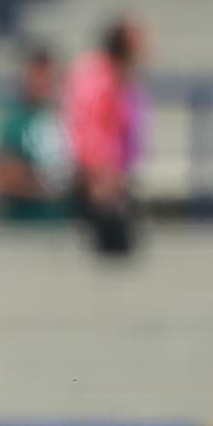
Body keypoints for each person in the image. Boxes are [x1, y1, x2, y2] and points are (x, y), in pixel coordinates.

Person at [63, 15, 149, 255]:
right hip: (96, 183)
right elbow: (85, 128)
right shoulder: (93, 79)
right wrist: (100, 175)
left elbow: (130, 134)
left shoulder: (127, 81)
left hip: (116, 181)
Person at [0, 45, 72, 222]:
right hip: (23, 226)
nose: (41, 82)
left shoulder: (66, 119)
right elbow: (1, 175)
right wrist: (43, 184)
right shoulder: (13, 121)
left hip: (63, 225)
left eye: (47, 75)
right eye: (36, 75)